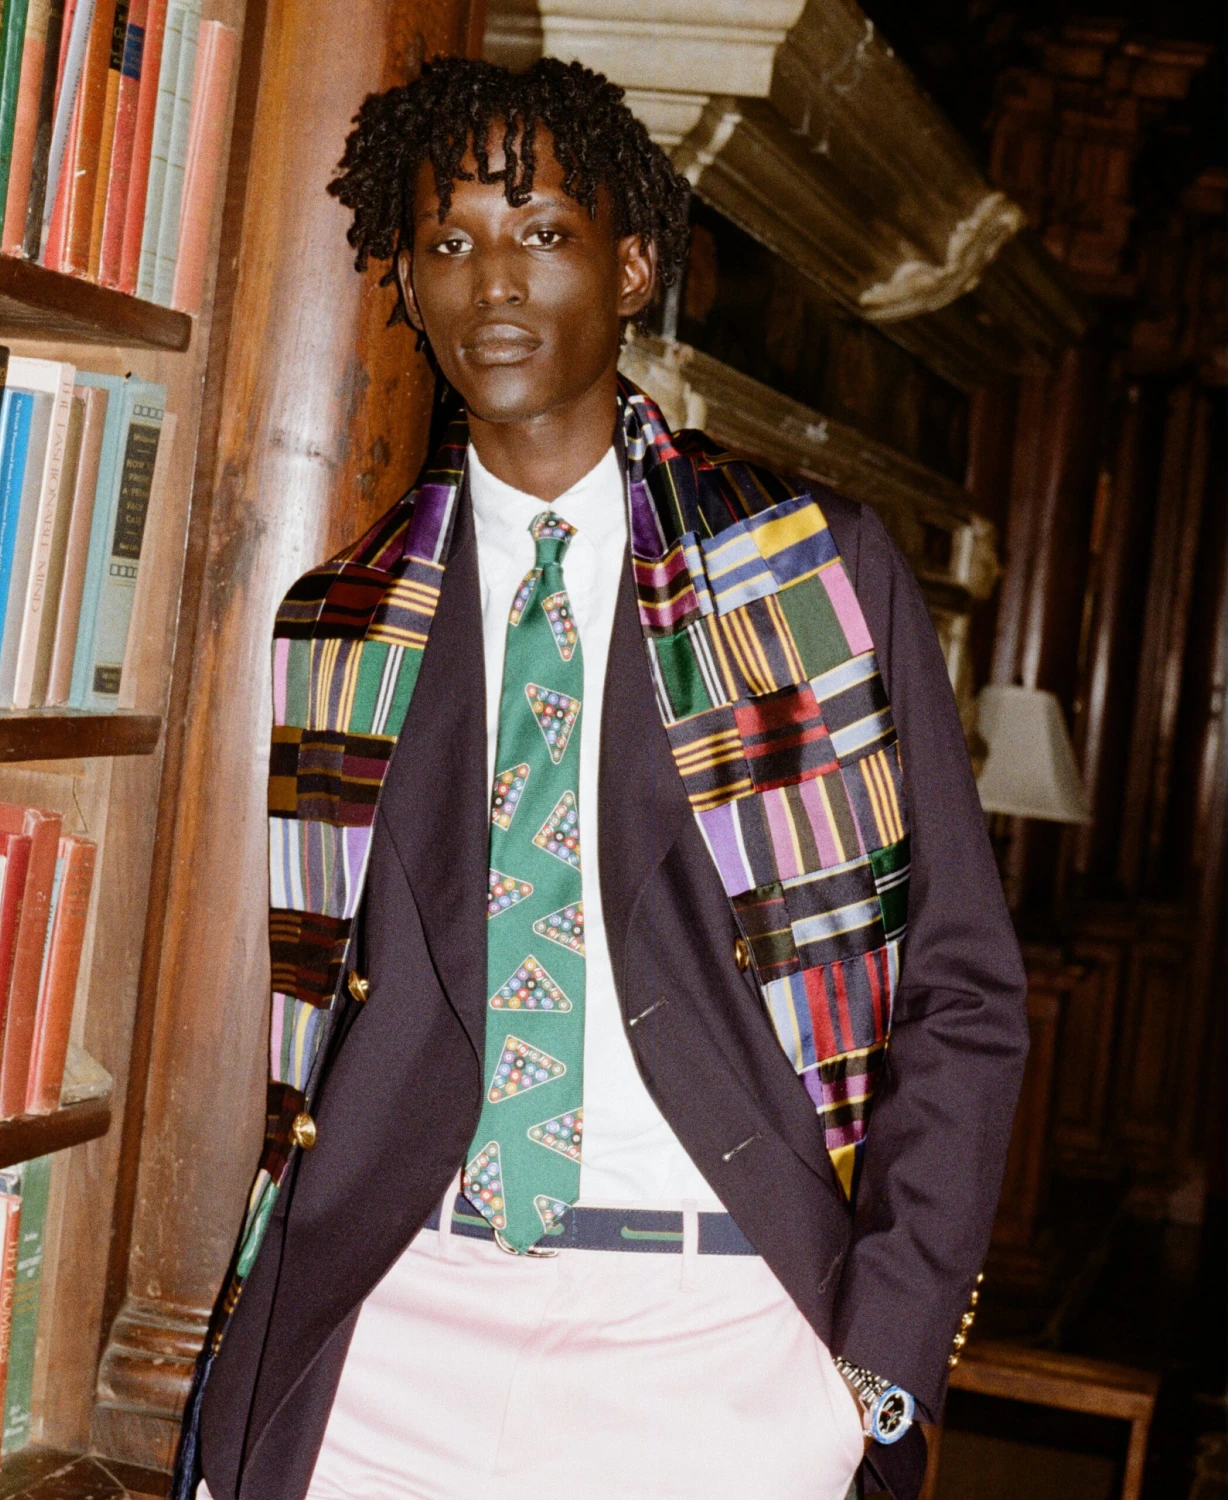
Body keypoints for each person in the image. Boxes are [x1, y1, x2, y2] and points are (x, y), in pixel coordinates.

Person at [174, 54, 1029, 1500]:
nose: (493, 282)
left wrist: (880, 1365)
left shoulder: (810, 573)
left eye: (542, 231)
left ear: (631, 268)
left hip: (718, 1341)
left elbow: (962, 986)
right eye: (448, 242)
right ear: (406, 285)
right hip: (404, 1328)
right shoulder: (341, 628)